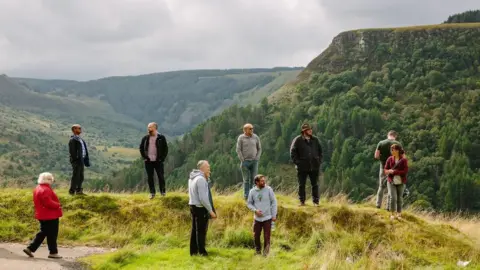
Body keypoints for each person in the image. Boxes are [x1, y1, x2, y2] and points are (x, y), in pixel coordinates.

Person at [23, 172, 63, 259]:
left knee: (44, 232)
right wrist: (58, 205)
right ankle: (52, 252)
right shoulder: (46, 189)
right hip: (50, 215)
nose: (52, 181)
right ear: (48, 180)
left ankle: (32, 248)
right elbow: (48, 202)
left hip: (42, 214)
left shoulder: (38, 188)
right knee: (51, 234)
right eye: (51, 179)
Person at [188, 160, 217, 256]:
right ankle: (202, 252)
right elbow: (203, 198)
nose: (209, 168)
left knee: (194, 229)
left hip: (192, 205)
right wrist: (211, 211)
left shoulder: (192, 178)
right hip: (200, 207)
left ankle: (193, 251)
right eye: (207, 167)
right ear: (202, 168)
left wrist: (207, 177)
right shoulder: (200, 179)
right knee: (201, 230)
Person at [290, 123, 323, 206]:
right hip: (302, 167)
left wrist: (319, 161)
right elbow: (292, 152)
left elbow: (320, 151)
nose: (311, 131)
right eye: (308, 130)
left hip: (314, 166)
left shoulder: (315, 140)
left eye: (311, 129)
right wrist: (298, 163)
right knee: (302, 185)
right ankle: (302, 201)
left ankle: (316, 202)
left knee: (315, 185)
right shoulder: (298, 140)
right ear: (304, 131)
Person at [247, 174, 277, 256]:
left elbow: (274, 202)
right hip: (257, 218)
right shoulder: (252, 192)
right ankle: (257, 252)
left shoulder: (269, 189)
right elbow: (249, 204)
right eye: (262, 181)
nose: (264, 182)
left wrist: (274, 215)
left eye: (264, 180)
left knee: (267, 237)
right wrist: (255, 210)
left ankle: (266, 254)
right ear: (257, 182)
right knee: (256, 236)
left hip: (268, 217)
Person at [139, 122, 168, 199]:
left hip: (158, 161)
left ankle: (163, 192)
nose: (149, 129)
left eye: (150, 127)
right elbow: (141, 148)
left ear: (155, 128)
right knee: (150, 177)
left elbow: (165, 149)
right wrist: (144, 157)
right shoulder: (145, 138)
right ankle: (152, 193)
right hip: (148, 161)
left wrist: (162, 158)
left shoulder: (161, 137)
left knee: (160, 176)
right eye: (148, 127)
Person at [374, 130, 402, 209]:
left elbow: (376, 156)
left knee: (381, 186)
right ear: (395, 136)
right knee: (391, 187)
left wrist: (382, 159)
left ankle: (378, 205)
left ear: (388, 135)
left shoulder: (381, 143)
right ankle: (388, 207)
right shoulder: (398, 144)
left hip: (383, 167)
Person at [236, 123, 262, 200]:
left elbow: (259, 148)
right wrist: (242, 160)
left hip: (254, 162)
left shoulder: (256, 137)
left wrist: (257, 158)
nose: (252, 130)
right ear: (245, 130)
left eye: (252, 128)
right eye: (250, 128)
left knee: (254, 179)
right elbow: (238, 149)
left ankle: (253, 196)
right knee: (246, 180)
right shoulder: (241, 138)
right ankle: (246, 196)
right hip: (245, 162)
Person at [384, 144, 409, 220]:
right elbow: (385, 170)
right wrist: (389, 171)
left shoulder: (404, 160)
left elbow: (405, 171)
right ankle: (392, 214)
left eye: (393, 150)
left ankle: (399, 214)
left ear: (397, 150)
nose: (392, 151)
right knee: (393, 197)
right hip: (391, 181)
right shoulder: (389, 159)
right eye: (391, 150)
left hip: (401, 182)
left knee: (399, 198)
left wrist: (394, 172)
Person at [68, 124, 90, 195]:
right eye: (79, 128)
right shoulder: (73, 140)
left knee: (81, 176)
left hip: (81, 160)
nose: (80, 130)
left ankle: (79, 191)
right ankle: (72, 191)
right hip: (77, 161)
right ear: (74, 129)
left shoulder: (80, 139)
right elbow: (72, 152)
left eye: (80, 128)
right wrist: (76, 159)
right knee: (76, 176)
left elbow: (84, 150)